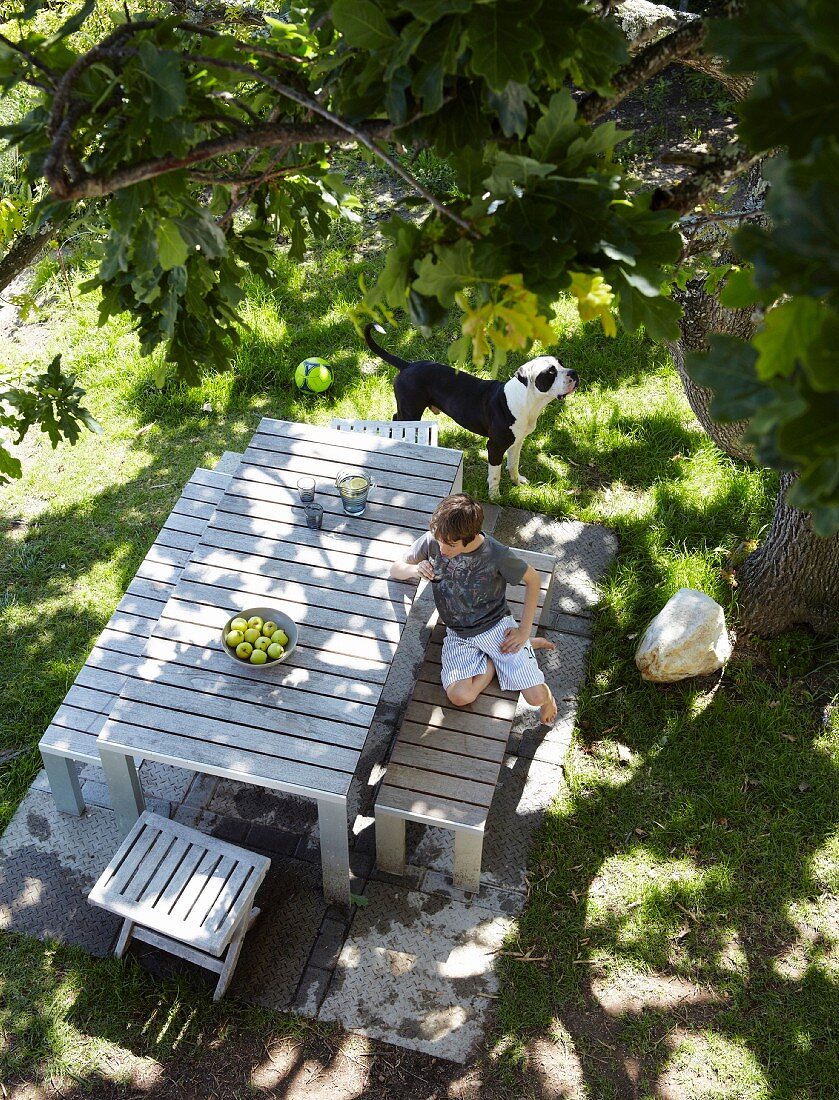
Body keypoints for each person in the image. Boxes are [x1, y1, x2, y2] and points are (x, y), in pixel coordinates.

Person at [390, 493, 557, 724]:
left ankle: (547, 694)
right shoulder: (435, 539)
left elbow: (534, 579)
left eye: (450, 545)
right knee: (459, 696)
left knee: (536, 697)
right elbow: (395, 569)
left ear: (470, 537)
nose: (442, 549)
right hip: (459, 634)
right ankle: (497, 660)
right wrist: (416, 570)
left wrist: (524, 631)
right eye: (439, 541)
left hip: (498, 628)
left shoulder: (495, 553)